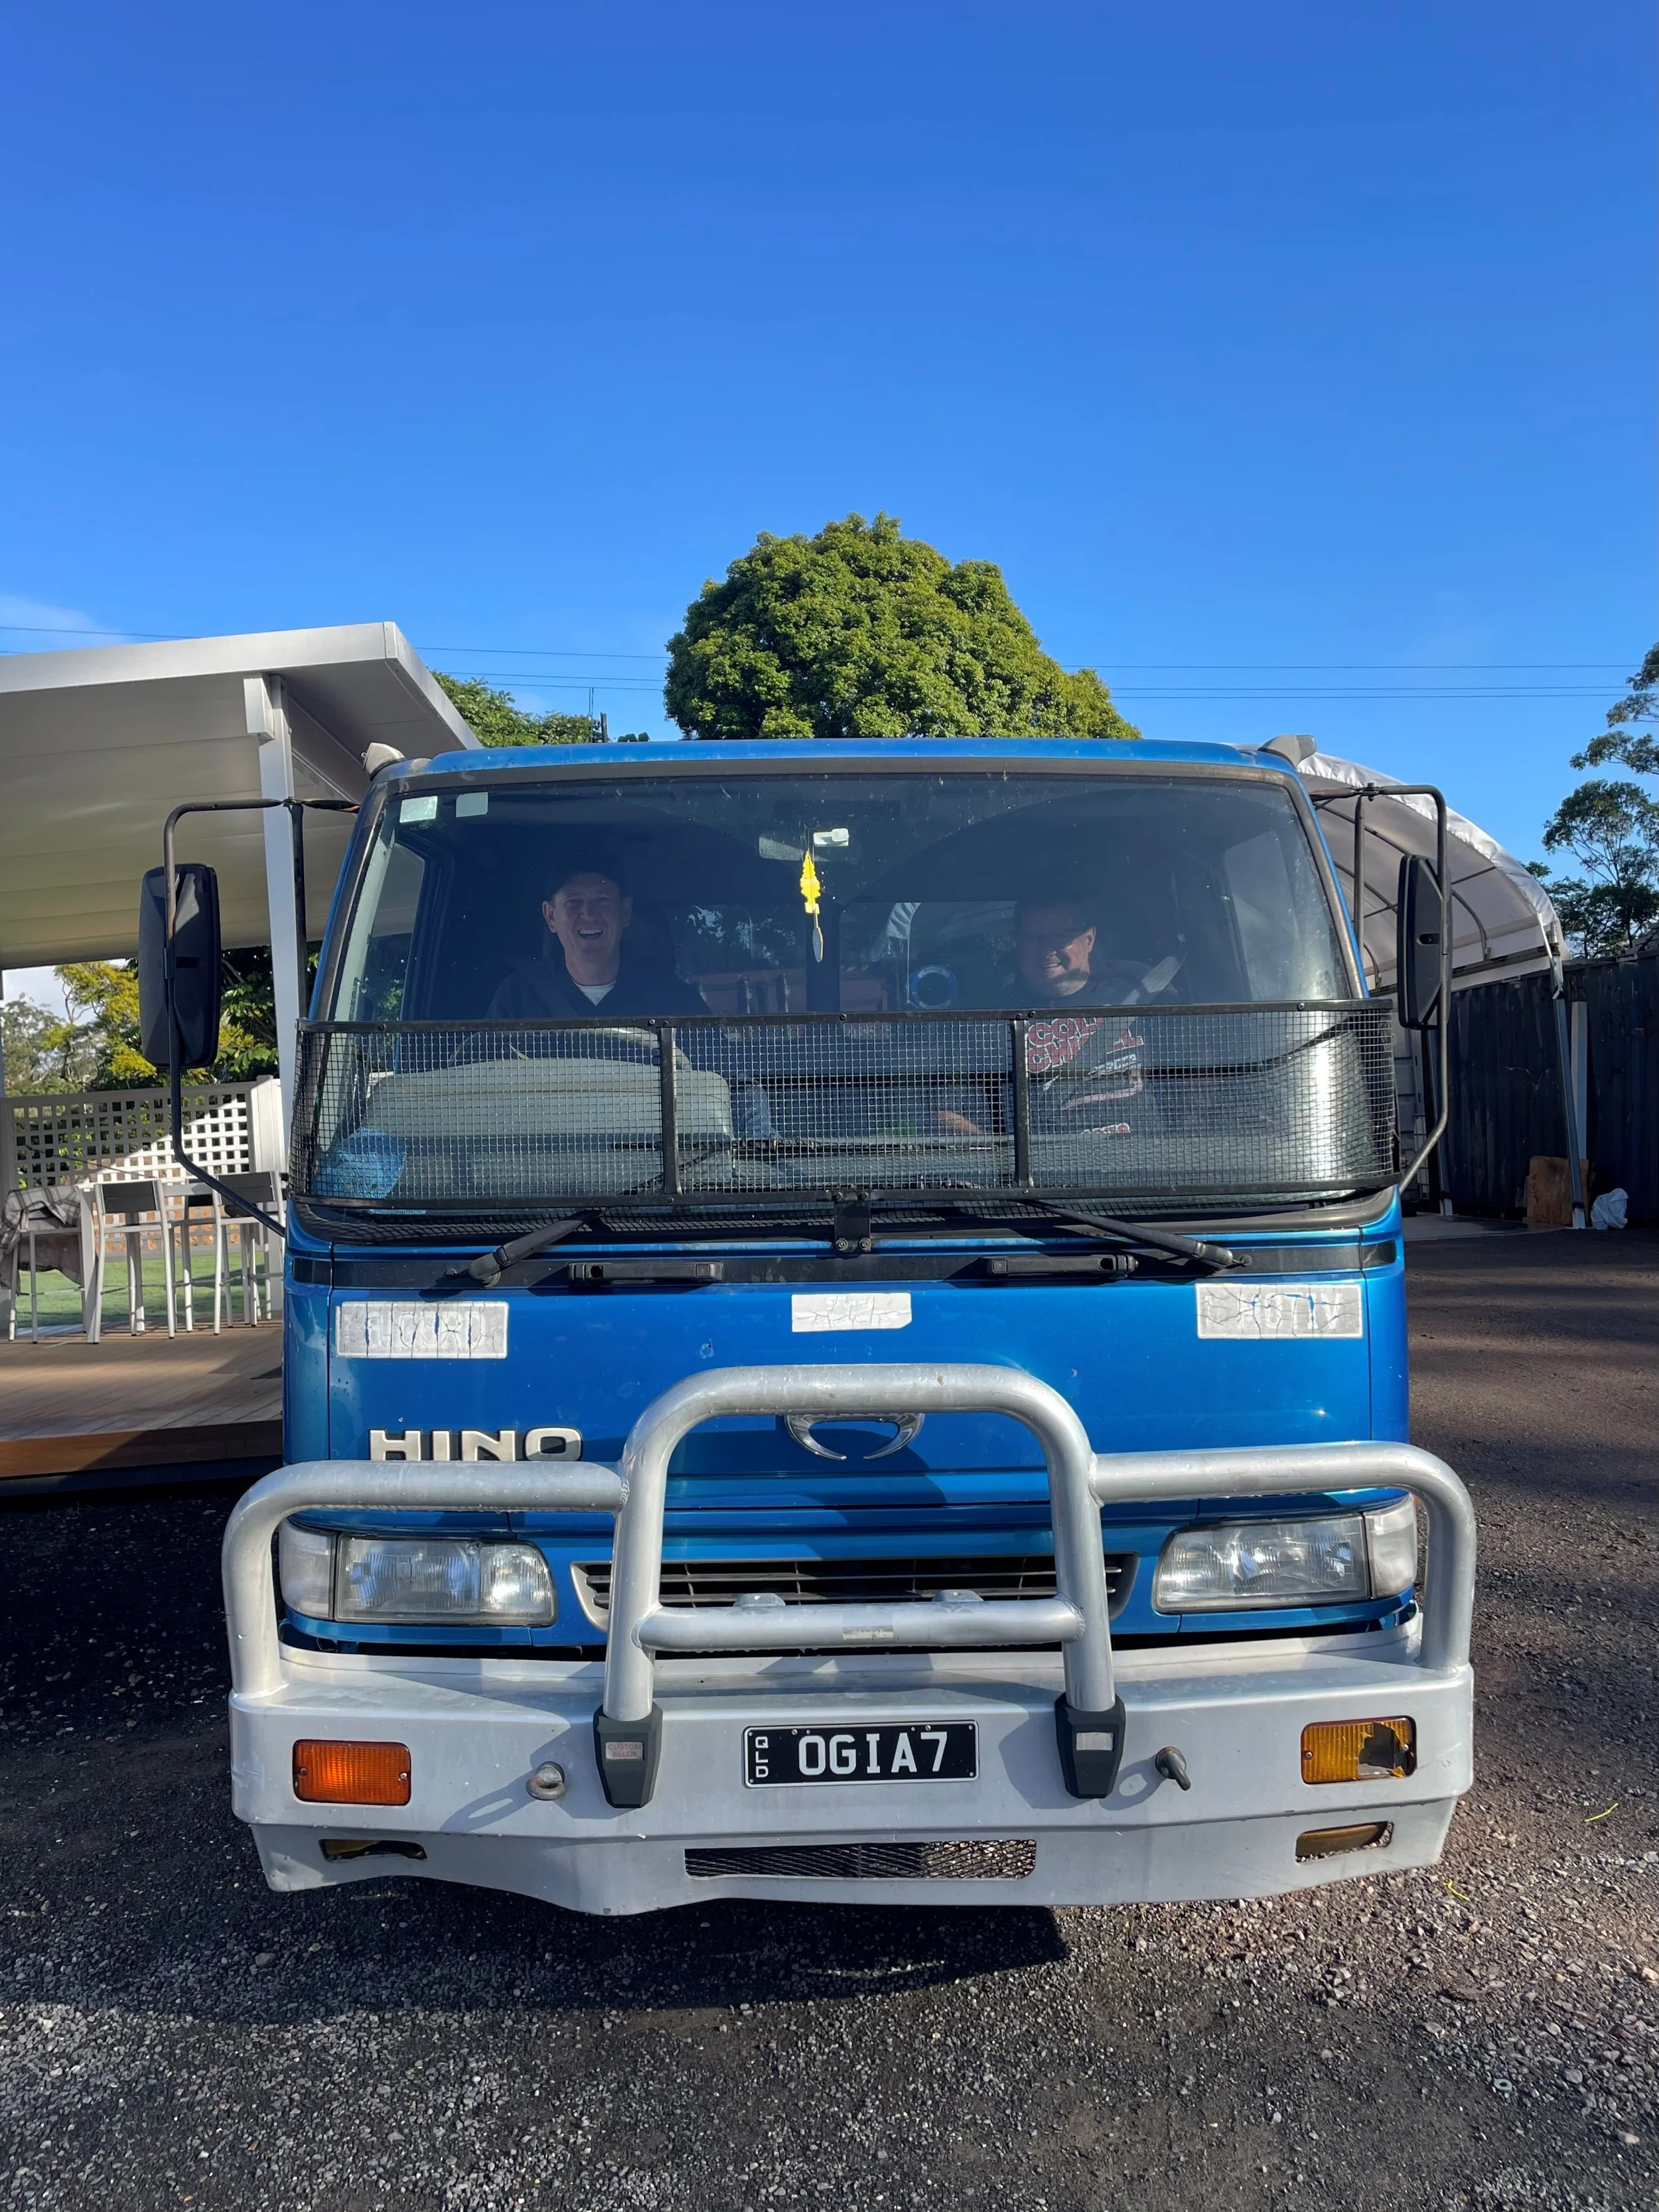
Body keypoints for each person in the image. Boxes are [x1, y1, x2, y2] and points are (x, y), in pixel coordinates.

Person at [487, 861, 709, 1020]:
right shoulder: (519, 997)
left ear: (625, 912)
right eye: (573, 902)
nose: (589, 915)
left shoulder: (676, 1003)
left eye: (602, 901)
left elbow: (717, 1082)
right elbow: (484, 1079)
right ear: (551, 916)